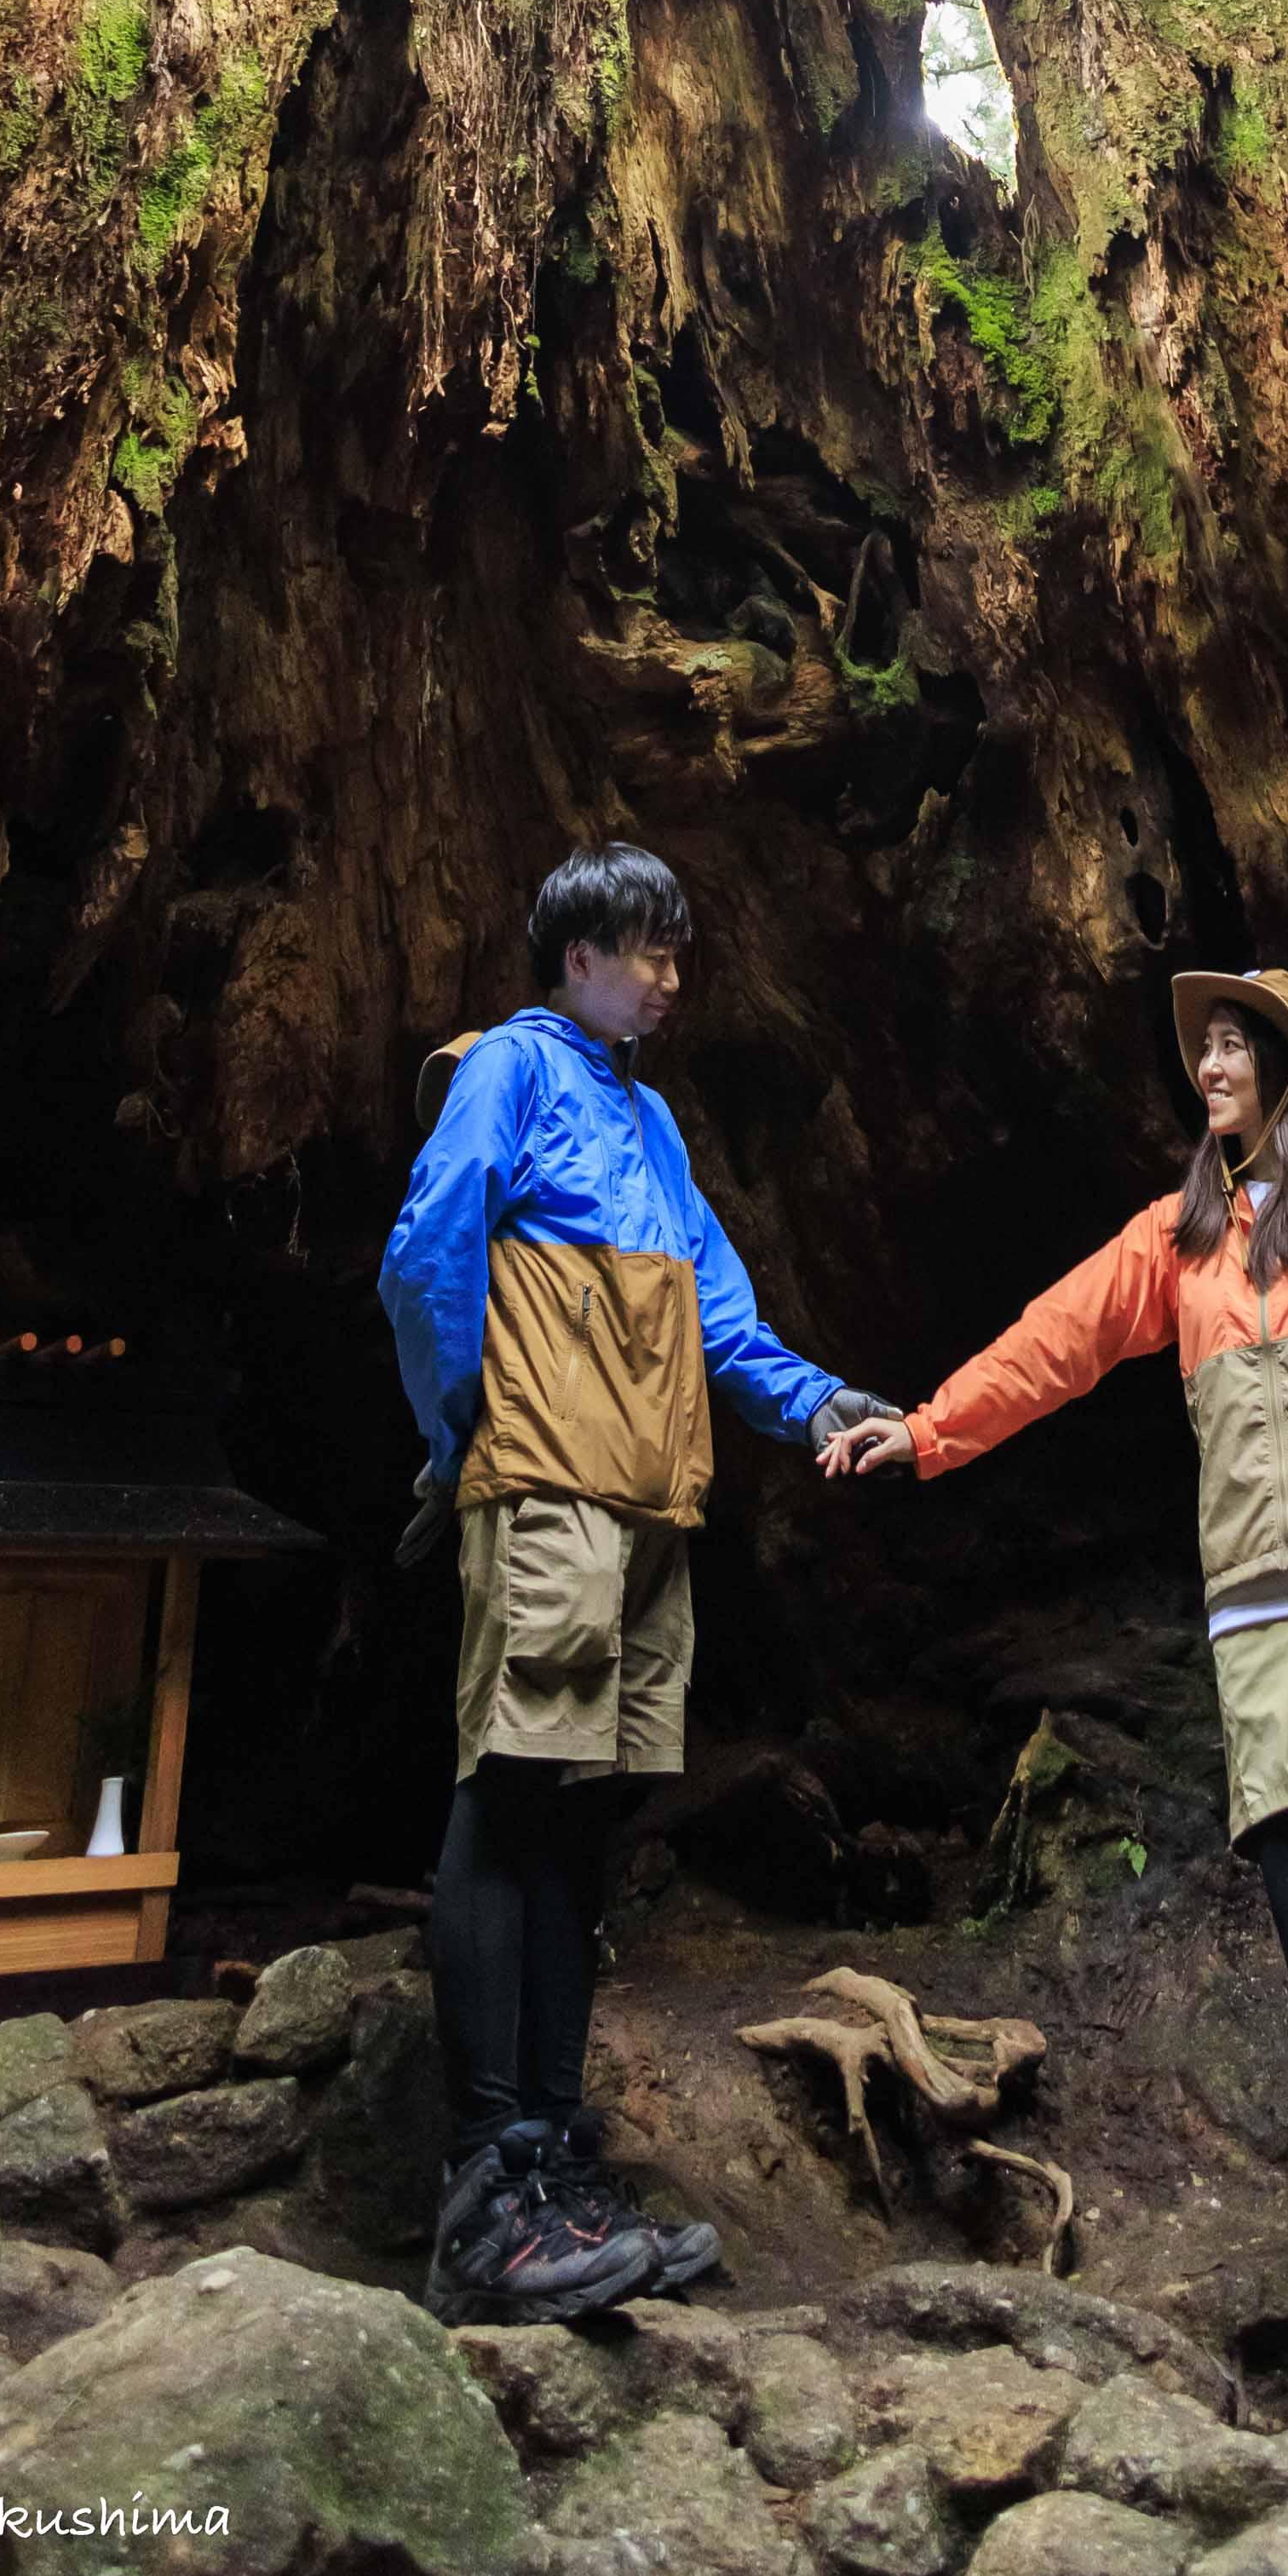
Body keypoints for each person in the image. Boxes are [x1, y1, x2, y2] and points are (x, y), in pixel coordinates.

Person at [820, 967, 1288, 2458]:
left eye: (1233, 1041)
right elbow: (1057, 1340)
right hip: (1266, 1630)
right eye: (1200, 1043)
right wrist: (931, 1429)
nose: (1206, 1061)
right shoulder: (1183, 1236)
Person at [382, 840, 890, 2325]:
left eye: (677, 951)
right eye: (644, 950)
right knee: (510, 1793)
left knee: (578, 1816)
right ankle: (486, 2189)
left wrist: (821, 1407)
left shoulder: (648, 1120)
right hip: (548, 1491)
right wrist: (470, 1424)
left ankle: (551, 2160)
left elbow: (719, 1320)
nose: (670, 977)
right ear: (575, 958)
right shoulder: (513, 1070)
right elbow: (428, 1255)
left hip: (644, 1512)